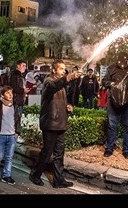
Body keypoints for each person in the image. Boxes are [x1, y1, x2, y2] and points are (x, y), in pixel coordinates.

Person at [29, 59, 82, 188]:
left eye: (64, 69)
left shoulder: (61, 83)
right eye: (61, 69)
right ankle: (35, 175)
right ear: (54, 70)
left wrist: (68, 105)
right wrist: (68, 78)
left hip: (61, 122)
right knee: (47, 152)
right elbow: (54, 87)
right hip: (50, 123)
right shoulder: (49, 81)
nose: (63, 71)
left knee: (59, 153)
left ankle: (58, 180)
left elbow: (62, 98)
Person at [101, 51, 128, 159]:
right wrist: (110, 83)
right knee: (112, 126)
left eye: (124, 62)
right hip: (114, 102)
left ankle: (126, 149)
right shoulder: (111, 68)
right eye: (120, 62)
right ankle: (109, 148)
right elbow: (104, 81)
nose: (122, 64)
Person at [9, 60, 31, 144]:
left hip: (20, 100)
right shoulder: (15, 75)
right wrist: (23, 90)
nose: (25, 67)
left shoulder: (21, 76)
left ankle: (15, 135)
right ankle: (15, 136)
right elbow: (13, 87)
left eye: (25, 66)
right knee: (16, 118)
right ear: (18, 66)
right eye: (23, 65)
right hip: (16, 100)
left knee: (18, 118)